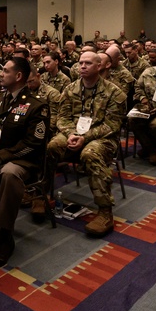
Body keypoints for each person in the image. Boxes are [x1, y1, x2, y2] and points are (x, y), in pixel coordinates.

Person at [45, 51, 127, 237]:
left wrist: (85, 137)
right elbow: (62, 118)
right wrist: (71, 133)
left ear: (99, 66)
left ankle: (105, 212)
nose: (82, 66)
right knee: (51, 146)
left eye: (88, 63)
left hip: (103, 138)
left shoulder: (115, 92)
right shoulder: (70, 89)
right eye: (80, 63)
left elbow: (112, 125)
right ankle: (41, 195)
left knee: (90, 153)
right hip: (72, 133)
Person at [0, 57, 48, 267]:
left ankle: (5, 235)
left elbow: (34, 143)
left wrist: (0, 156)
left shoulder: (37, 106)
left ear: (18, 76)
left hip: (23, 161)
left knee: (9, 174)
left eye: (6, 71)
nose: (1, 73)